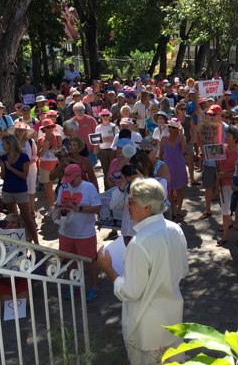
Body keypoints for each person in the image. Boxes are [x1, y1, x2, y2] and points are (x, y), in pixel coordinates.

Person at [97, 178, 188, 365]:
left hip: (146, 327)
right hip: (172, 318)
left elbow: (130, 291)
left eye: (132, 202)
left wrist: (108, 269)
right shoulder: (175, 229)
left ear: (148, 207)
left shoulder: (140, 243)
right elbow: (183, 269)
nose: (128, 206)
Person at [55, 164, 102, 303]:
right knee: (69, 259)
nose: (68, 182)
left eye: (71, 179)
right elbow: (58, 203)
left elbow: (97, 207)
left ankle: (95, 287)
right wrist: (57, 212)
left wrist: (78, 209)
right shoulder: (63, 187)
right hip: (65, 231)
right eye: (66, 178)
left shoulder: (89, 187)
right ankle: (75, 285)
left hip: (84, 233)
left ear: (78, 175)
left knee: (89, 260)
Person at [0, 134, 40, 244]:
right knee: (12, 220)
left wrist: (10, 168)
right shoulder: (3, 157)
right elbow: (3, 177)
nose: (1, 145)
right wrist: (3, 169)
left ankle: (37, 244)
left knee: (27, 219)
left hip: (21, 191)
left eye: (3, 143)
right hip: (7, 190)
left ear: (10, 144)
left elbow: (24, 175)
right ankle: (18, 243)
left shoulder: (23, 157)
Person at [217, 126, 238, 246]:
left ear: (235, 139)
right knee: (225, 211)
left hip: (235, 185)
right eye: (225, 135)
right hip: (223, 185)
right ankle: (225, 235)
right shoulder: (221, 148)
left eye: (228, 136)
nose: (225, 137)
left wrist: (224, 175)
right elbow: (212, 158)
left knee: (237, 212)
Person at [160, 118, 188, 219]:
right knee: (169, 191)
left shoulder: (181, 138)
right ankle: (171, 212)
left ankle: (179, 211)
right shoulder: (164, 138)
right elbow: (160, 155)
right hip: (166, 167)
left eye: (174, 127)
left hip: (178, 166)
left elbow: (185, 149)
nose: (171, 129)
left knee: (179, 189)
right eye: (170, 126)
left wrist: (181, 135)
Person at [11, 122, 38, 218]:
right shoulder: (13, 142)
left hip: (30, 169)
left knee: (31, 190)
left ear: (25, 131)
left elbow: (35, 155)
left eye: (22, 130)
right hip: (17, 169)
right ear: (16, 131)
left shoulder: (30, 141)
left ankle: (32, 210)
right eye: (18, 130)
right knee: (21, 191)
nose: (20, 132)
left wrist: (29, 163)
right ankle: (23, 211)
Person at [37, 119, 62, 217]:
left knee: (62, 186)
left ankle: (62, 207)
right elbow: (38, 154)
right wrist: (44, 147)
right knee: (48, 188)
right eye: (48, 127)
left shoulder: (58, 137)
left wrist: (51, 147)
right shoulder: (40, 139)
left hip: (56, 165)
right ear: (44, 129)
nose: (51, 128)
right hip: (44, 165)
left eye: (52, 126)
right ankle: (52, 208)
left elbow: (60, 151)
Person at [95, 109, 119, 183]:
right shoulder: (98, 127)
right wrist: (110, 139)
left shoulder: (114, 127)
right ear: (100, 117)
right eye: (103, 115)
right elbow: (97, 140)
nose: (105, 117)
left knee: (114, 170)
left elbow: (118, 139)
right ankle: (107, 189)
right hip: (103, 151)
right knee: (106, 171)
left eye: (107, 115)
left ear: (110, 116)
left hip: (113, 151)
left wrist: (107, 139)